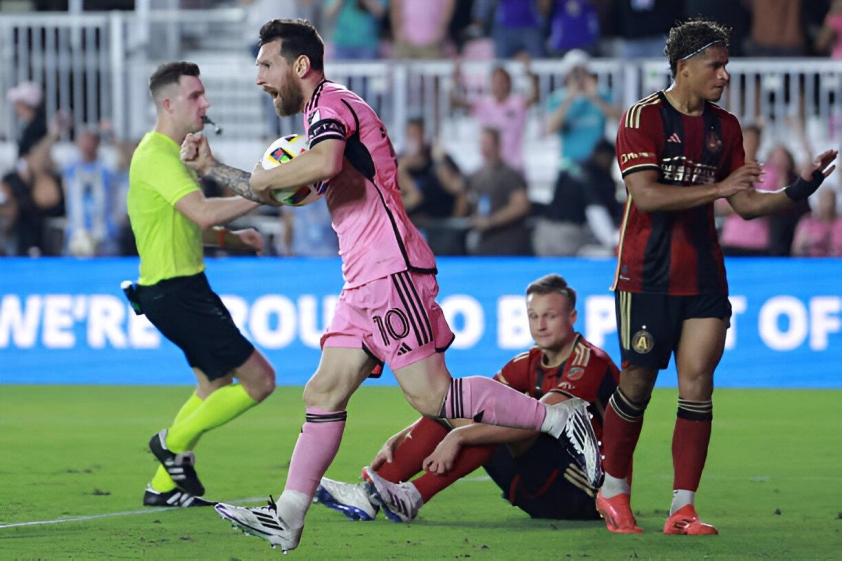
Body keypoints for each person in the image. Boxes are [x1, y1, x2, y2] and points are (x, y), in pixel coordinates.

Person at [185, 19, 598, 553]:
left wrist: (265, 176)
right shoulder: (319, 118)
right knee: (324, 391)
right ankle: (288, 517)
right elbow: (286, 192)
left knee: (433, 396)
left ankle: (561, 418)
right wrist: (217, 167)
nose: (260, 77)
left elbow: (324, 162)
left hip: (389, 268)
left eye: (266, 65)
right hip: (361, 279)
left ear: (300, 65)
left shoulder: (331, 105)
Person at [600, 17, 837, 536]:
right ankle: (613, 488)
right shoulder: (641, 118)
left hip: (704, 273)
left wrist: (801, 189)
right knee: (636, 384)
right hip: (647, 274)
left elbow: (746, 205)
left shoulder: (723, 128)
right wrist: (721, 187)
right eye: (716, 65)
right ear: (684, 68)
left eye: (726, 65)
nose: (724, 74)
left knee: (698, 384)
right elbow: (647, 196)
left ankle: (682, 508)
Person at [315, 273, 618, 523]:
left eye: (550, 316)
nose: (540, 324)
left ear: (573, 317)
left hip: (582, 490)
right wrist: (403, 434)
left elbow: (535, 424)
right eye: (533, 315)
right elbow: (469, 406)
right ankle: (369, 494)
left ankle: (413, 496)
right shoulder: (528, 361)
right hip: (534, 485)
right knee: (469, 406)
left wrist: (459, 436)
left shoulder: (588, 363)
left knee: (495, 419)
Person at [127, 61, 276, 509]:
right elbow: (204, 213)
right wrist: (262, 192)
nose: (205, 103)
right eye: (195, 96)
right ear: (168, 104)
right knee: (260, 381)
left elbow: (193, 225)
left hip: (179, 288)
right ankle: (171, 443)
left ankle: (163, 487)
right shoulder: (155, 156)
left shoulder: (168, 157)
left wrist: (234, 240)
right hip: (175, 292)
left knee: (215, 384)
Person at [456, 126, 532, 255]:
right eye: (482, 143)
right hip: (483, 243)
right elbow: (460, 207)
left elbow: (521, 205)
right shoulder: (474, 175)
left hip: (508, 242)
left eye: (488, 143)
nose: (484, 147)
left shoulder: (509, 174)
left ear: (497, 145)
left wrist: (491, 221)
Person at [791, 187, 842, 256]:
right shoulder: (808, 222)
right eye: (825, 199)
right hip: (813, 263)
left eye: (831, 199)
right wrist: (805, 244)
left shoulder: (840, 222)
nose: (828, 203)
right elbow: (796, 251)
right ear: (819, 202)